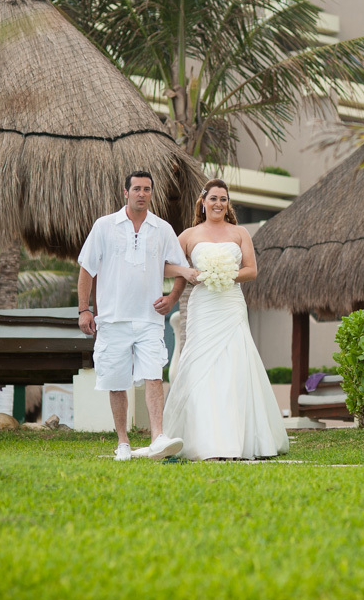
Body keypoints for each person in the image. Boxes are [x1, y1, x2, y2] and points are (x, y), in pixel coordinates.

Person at [159, 179, 289, 460]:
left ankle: (235, 441)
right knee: (199, 366)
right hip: (203, 307)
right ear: (203, 202)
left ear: (228, 204)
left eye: (223, 199)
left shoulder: (240, 233)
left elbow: (251, 270)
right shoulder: (189, 235)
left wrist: (225, 274)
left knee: (233, 367)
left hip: (230, 305)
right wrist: (186, 273)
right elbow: (165, 266)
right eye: (214, 198)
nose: (218, 203)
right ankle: (204, 441)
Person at [78, 171, 187, 461]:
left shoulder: (162, 229)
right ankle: (123, 442)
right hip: (112, 319)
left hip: (149, 319)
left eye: (147, 189)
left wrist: (172, 298)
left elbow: (181, 268)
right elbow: (87, 269)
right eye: (137, 189)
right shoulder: (104, 226)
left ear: (151, 193)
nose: (142, 193)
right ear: (126, 193)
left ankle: (157, 437)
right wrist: (84, 310)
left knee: (154, 374)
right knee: (117, 382)